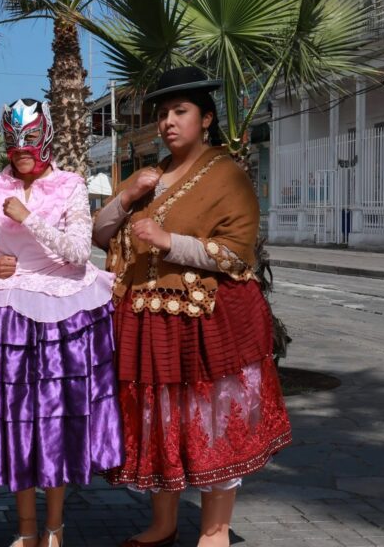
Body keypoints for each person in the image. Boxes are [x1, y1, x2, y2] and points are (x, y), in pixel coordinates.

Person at [93, 67, 292, 547]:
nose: (167, 123)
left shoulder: (227, 174)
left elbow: (236, 253)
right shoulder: (150, 175)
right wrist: (126, 197)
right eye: (162, 114)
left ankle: (216, 530)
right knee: (161, 421)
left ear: (205, 119)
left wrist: (168, 241)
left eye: (179, 112)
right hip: (147, 319)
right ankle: (164, 523)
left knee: (211, 418)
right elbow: (99, 235)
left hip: (207, 320)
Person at [0, 98, 122, 547]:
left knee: (56, 419)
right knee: (14, 420)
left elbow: (76, 251)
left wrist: (27, 218)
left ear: (46, 135)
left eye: (30, 137)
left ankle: (55, 528)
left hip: (63, 313)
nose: (22, 148)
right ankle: (27, 529)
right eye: (14, 139)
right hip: (7, 318)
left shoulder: (70, 185)